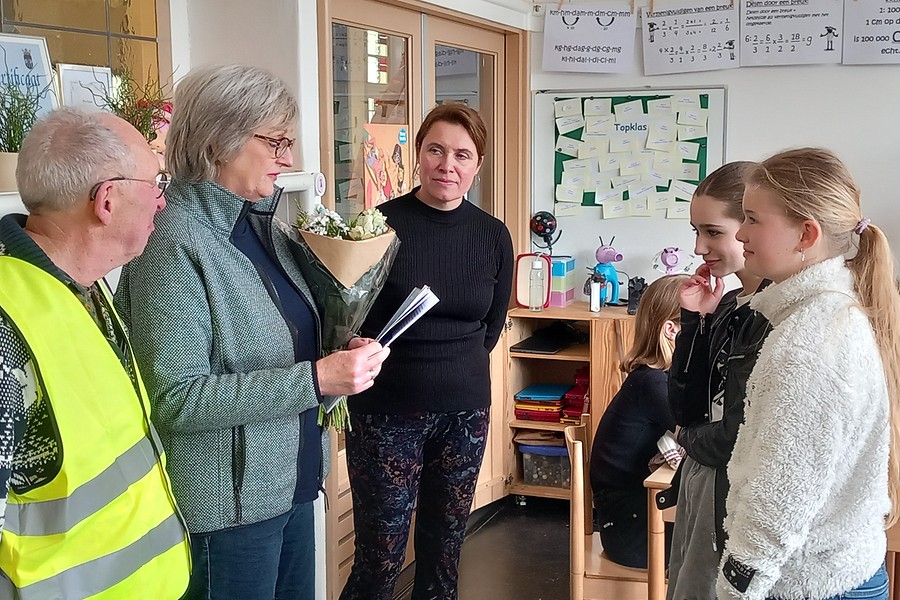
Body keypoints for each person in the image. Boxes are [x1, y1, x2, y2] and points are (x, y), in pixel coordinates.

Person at [115, 64, 389, 600]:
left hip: (289, 486)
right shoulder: (171, 244)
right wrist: (315, 380)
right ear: (219, 141)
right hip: (225, 512)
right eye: (276, 141)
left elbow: (285, 346)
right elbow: (176, 399)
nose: (288, 158)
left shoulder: (268, 229)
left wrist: (339, 353)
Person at [0, 109, 191, 598]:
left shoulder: (78, 287)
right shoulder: (7, 327)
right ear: (107, 200)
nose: (162, 202)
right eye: (155, 184)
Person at [340, 102, 514, 600]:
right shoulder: (379, 225)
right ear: (417, 154)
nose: (448, 165)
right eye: (436, 150)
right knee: (382, 554)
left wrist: (450, 367)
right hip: (387, 410)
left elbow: (491, 323)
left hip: (464, 409)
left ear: (477, 165)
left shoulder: (492, 235)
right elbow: (349, 315)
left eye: (462, 154)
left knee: (445, 549)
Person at [717, 148, 900, 600]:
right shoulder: (820, 317)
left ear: (806, 234)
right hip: (832, 573)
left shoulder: (814, 340)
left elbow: (781, 494)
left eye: (753, 219)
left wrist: (736, 589)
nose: (741, 233)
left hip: (811, 585)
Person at [664, 162, 771, 599]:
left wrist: (686, 439)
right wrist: (695, 320)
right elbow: (684, 406)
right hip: (703, 481)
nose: (699, 246)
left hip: (731, 494)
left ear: (748, 226)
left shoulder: (772, 313)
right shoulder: (729, 302)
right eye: (696, 231)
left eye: (712, 232)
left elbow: (737, 433)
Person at [589, 274, 687, 568]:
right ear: (671, 330)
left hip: (627, 518)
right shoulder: (653, 384)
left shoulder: (651, 377)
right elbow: (695, 428)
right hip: (630, 533)